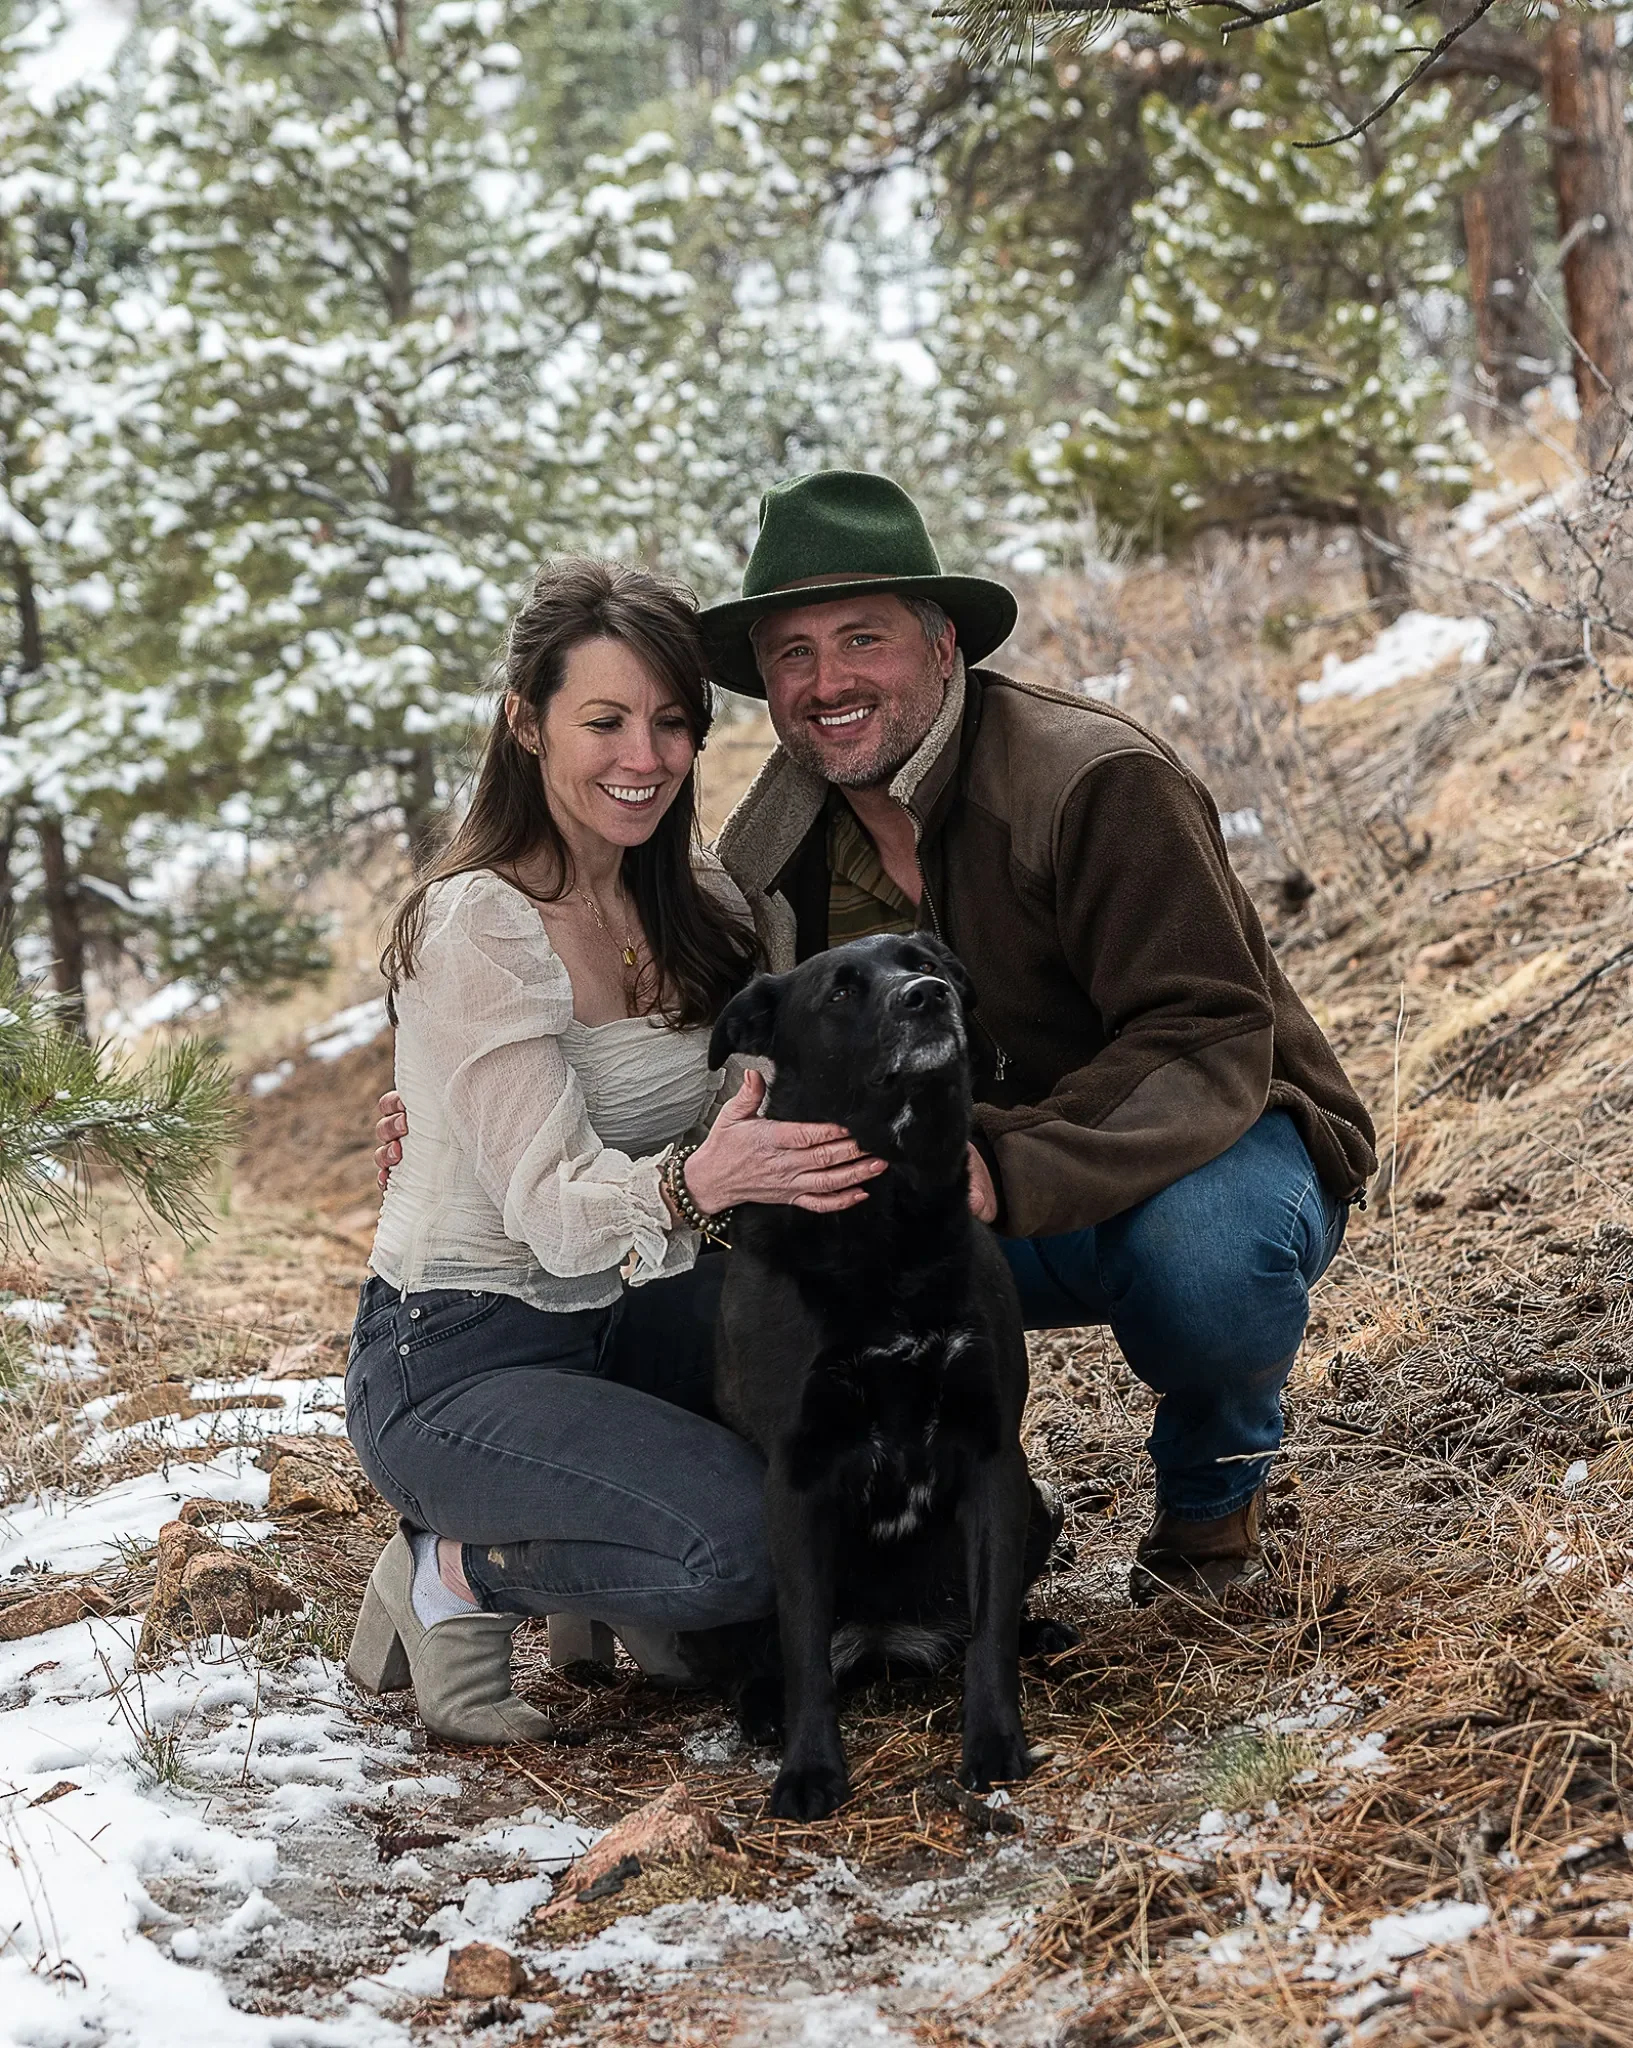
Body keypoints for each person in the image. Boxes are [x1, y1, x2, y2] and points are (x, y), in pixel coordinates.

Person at [378, 472, 1376, 1608]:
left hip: (1196, 1150)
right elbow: (689, 1055)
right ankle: (901, 1549)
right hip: (936, 1191)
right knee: (762, 1305)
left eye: (864, 638)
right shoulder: (766, 856)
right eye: (792, 654)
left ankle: (1212, 1506)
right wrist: (443, 1112)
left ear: (943, 642)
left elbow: (1208, 1030)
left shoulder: (1093, 780)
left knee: (1206, 1255)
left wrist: (1003, 1161)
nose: (828, 680)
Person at [345, 557, 888, 1746]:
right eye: (604, 720)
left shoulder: (698, 899)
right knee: (740, 1546)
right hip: (460, 1351)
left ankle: (621, 1572)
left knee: (861, 1442)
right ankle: (448, 1571)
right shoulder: (476, 920)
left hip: (632, 1310)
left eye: (672, 721)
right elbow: (546, 1211)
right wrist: (699, 1181)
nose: (643, 755)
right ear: (526, 722)